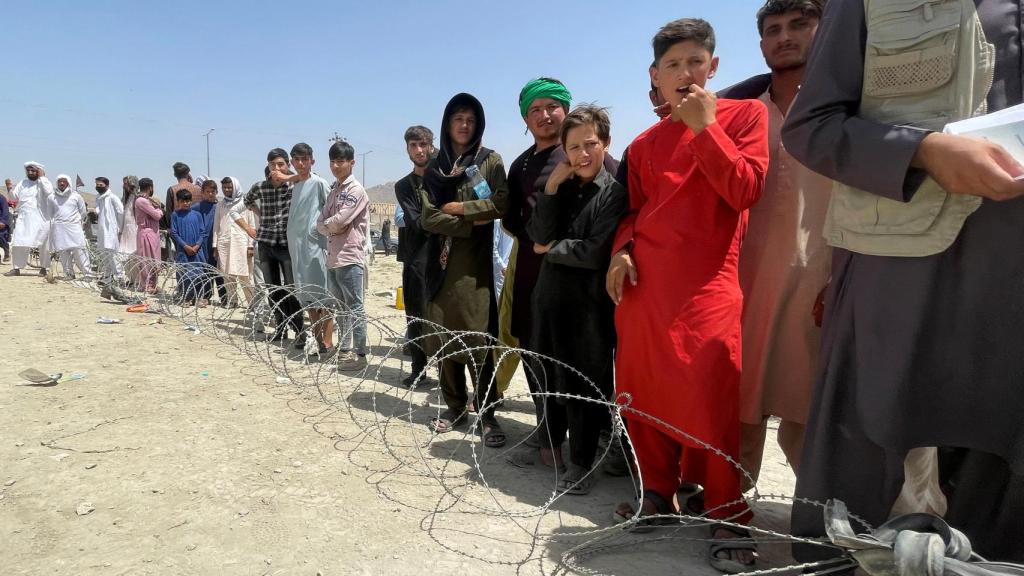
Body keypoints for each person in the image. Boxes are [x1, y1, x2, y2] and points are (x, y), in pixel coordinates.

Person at [781, 0, 1024, 562]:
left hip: (1011, 277)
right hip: (900, 255)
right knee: (864, 454)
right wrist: (924, 150)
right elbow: (813, 125)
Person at [606, 19, 768, 573]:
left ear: (713, 67)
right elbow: (632, 211)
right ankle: (658, 493)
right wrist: (622, 251)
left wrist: (705, 129)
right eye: (672, 65)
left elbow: (745, 188)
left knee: (710, 397)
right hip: (645, 287)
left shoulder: (745, 116)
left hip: (707, 287)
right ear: (655, 75)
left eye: (695, 61)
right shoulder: (643, 144)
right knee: (640, 390)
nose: (684, 73)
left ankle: (727, 512)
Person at [717, 0, 828, 491]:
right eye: (773, 29)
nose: (785, 37)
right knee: (742, 407)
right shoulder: (739, 113)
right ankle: (733, 513)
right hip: (747, 282)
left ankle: (823, 529)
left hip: (824, 284)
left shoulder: (848, 109)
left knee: (812, 420)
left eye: (799, 25)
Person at [526, 105, 628, 496]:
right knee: (548, 376)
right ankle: (552, 447)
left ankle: (582, 464)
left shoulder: (614, 193)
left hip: (589, 309)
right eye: (573, 147)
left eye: (590, 144)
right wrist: (550, 187)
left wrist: (551, 248)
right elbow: (536, 230)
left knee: (585, 385)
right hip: (549, 300)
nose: (582, 154)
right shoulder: (562, 187)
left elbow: (596, 252)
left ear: (605, 143)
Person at [420, 92, 510, 448]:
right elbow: (428, 216)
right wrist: (470, 220)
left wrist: (459, 208)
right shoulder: (435, 167)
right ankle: (455, 406)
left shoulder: (489, 161)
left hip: (474, 269)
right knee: (446, 339)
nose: (464, 124)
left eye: (471, 119)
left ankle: (487, 413)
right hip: (439, 266)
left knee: (478, 339)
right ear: (447, 123)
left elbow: (501, 203)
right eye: (458, 118)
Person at [233, 149, 303, 343]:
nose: (276, 169)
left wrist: (290, 177)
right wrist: (250, 227)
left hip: (287, 245)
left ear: (288, 164)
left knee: (292, 289)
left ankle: (298, 330)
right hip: (266, 244)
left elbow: (310, 177)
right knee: (273, 289)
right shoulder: (260, 187)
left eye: (281, 164)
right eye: (273, 165)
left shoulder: (295, 186)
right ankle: (280, 328)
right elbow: (240, 206)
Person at [317, 140, 371, 369]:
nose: (336, 166)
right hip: (333, 257)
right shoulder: (335, 190)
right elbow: (321, 223)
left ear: (351, 162)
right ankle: (345, 349)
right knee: (340, 307)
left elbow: (340, 220)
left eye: (340, 161)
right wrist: (331, 225)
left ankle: (360, 355)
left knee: (355, 306)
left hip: (349, 256)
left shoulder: (355, 191)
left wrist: (330, 224)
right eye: (332, 161)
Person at [279, 142, 332, 351]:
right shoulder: (296, 185)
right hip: (298, 248)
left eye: (304, 159)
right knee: (307, 295)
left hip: (316, 247)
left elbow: (331, 209)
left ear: (312, 161)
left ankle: (327, 342)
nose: (301, 164)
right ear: (292, 162)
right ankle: (318, 341)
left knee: (323, 296)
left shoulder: (319, 183)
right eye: (297, 160)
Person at [394, 126, 435, 388]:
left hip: (448, 259)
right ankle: (418, 368)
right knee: (416, 316)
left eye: (423, 144)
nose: (419, 150)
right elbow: (418, 222)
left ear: (431, 145)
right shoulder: (404, 186)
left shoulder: (447, 176)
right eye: (413, 145)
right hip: (416, 260)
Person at [213, 176, 256, 308]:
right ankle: (232, 301)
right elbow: (216, 226)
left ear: (235, 187)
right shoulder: (220, 204)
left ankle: (252, 303)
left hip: (241, 243)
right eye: (224, 187)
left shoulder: (245, 203)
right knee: (227, 274)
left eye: (229, 187)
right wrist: (215, 245)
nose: (227, 190)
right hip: (224, 243)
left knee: (245, 275)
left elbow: (251, 224)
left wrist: (250, 245)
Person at [4, 162, 53, 277]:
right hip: (24, 218)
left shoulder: (43, 182)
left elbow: (49, 192)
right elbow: (13, 197)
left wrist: (42, 178)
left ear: (39, 171)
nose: (30, 172)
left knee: (43, 244)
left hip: (40, 218)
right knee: (18, 242)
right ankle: (16, 268)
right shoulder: (23, 182)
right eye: (28, 170)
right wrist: (9, 188)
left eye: (33, 170)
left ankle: (44, 268)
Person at [47, 174, 91, 280]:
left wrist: (75, 222)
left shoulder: (76, 196)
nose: (62, 183)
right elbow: (50, 213)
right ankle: (69, 274)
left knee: (80, 250)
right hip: (59, 228)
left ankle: (88, 274)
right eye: (60, 181)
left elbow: (83, 212)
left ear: (68, 183)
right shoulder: (51, 197)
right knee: (63, 252)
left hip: (74, 227)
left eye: (64, 181)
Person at [170, 188, 205, 306]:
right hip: (183, 251)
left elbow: (202, 232)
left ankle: (198, 298)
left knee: (198, 274)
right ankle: (185, 297)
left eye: (188, 201)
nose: (186, 203)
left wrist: (197, 246)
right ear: (178, 202)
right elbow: (174, 233)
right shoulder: (175, 215)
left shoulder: (197, 215)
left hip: (197, 251)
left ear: (191, 201)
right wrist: (185, 246)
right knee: (184, 275)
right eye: (183, 201)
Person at [192, 179, 222, 307]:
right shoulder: (196, 207)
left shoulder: (219, 207)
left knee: (219, 271)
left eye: (213, 191)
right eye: (207, 191)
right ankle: (205, 296)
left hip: (216, 243)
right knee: (204, 270)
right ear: (202, 193)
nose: (210, 194)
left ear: (216, 192)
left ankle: (224, 297)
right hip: (202, 244)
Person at [94, 176, 125, 297]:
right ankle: (107, 277)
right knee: (104, 254)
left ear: (107, 185)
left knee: (113, 255)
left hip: (111, 231)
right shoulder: (99, 198)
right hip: (102, 231)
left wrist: (119, 228)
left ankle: (120, 277)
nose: (98, 187)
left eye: (100, 185)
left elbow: (121, 212)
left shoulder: (112, 197)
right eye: (97, 185)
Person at [163, 162, 197, 261]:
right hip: (196, 232)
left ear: (175, 174)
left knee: (182, 263)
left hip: (179, 234)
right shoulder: (198, 189)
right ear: (188, 173)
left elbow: (169, 213)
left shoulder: (172, 190)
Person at [134, 178, 164, 294]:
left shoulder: (144, 200)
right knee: (148, 260)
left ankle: (152, 285)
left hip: (151, 233)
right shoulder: (142, 201)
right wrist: (160, 210)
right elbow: (157, 215)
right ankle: (148, 285)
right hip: (147, 233)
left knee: (152, 259)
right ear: (150, 187)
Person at [119, 175, 141, 287]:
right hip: (125, 231)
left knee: (133, 255)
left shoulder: (137, 198)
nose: (124, 186)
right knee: (124, 256)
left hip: (134, 230)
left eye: (126, 183)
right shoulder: (125, 199)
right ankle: (131, 279)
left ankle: (137, 280)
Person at [0, 190, 10, 264]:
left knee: (2, 238)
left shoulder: (2, 198)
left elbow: (5, 210)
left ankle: (6, 251)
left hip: (1, 222)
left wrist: (3, 222)